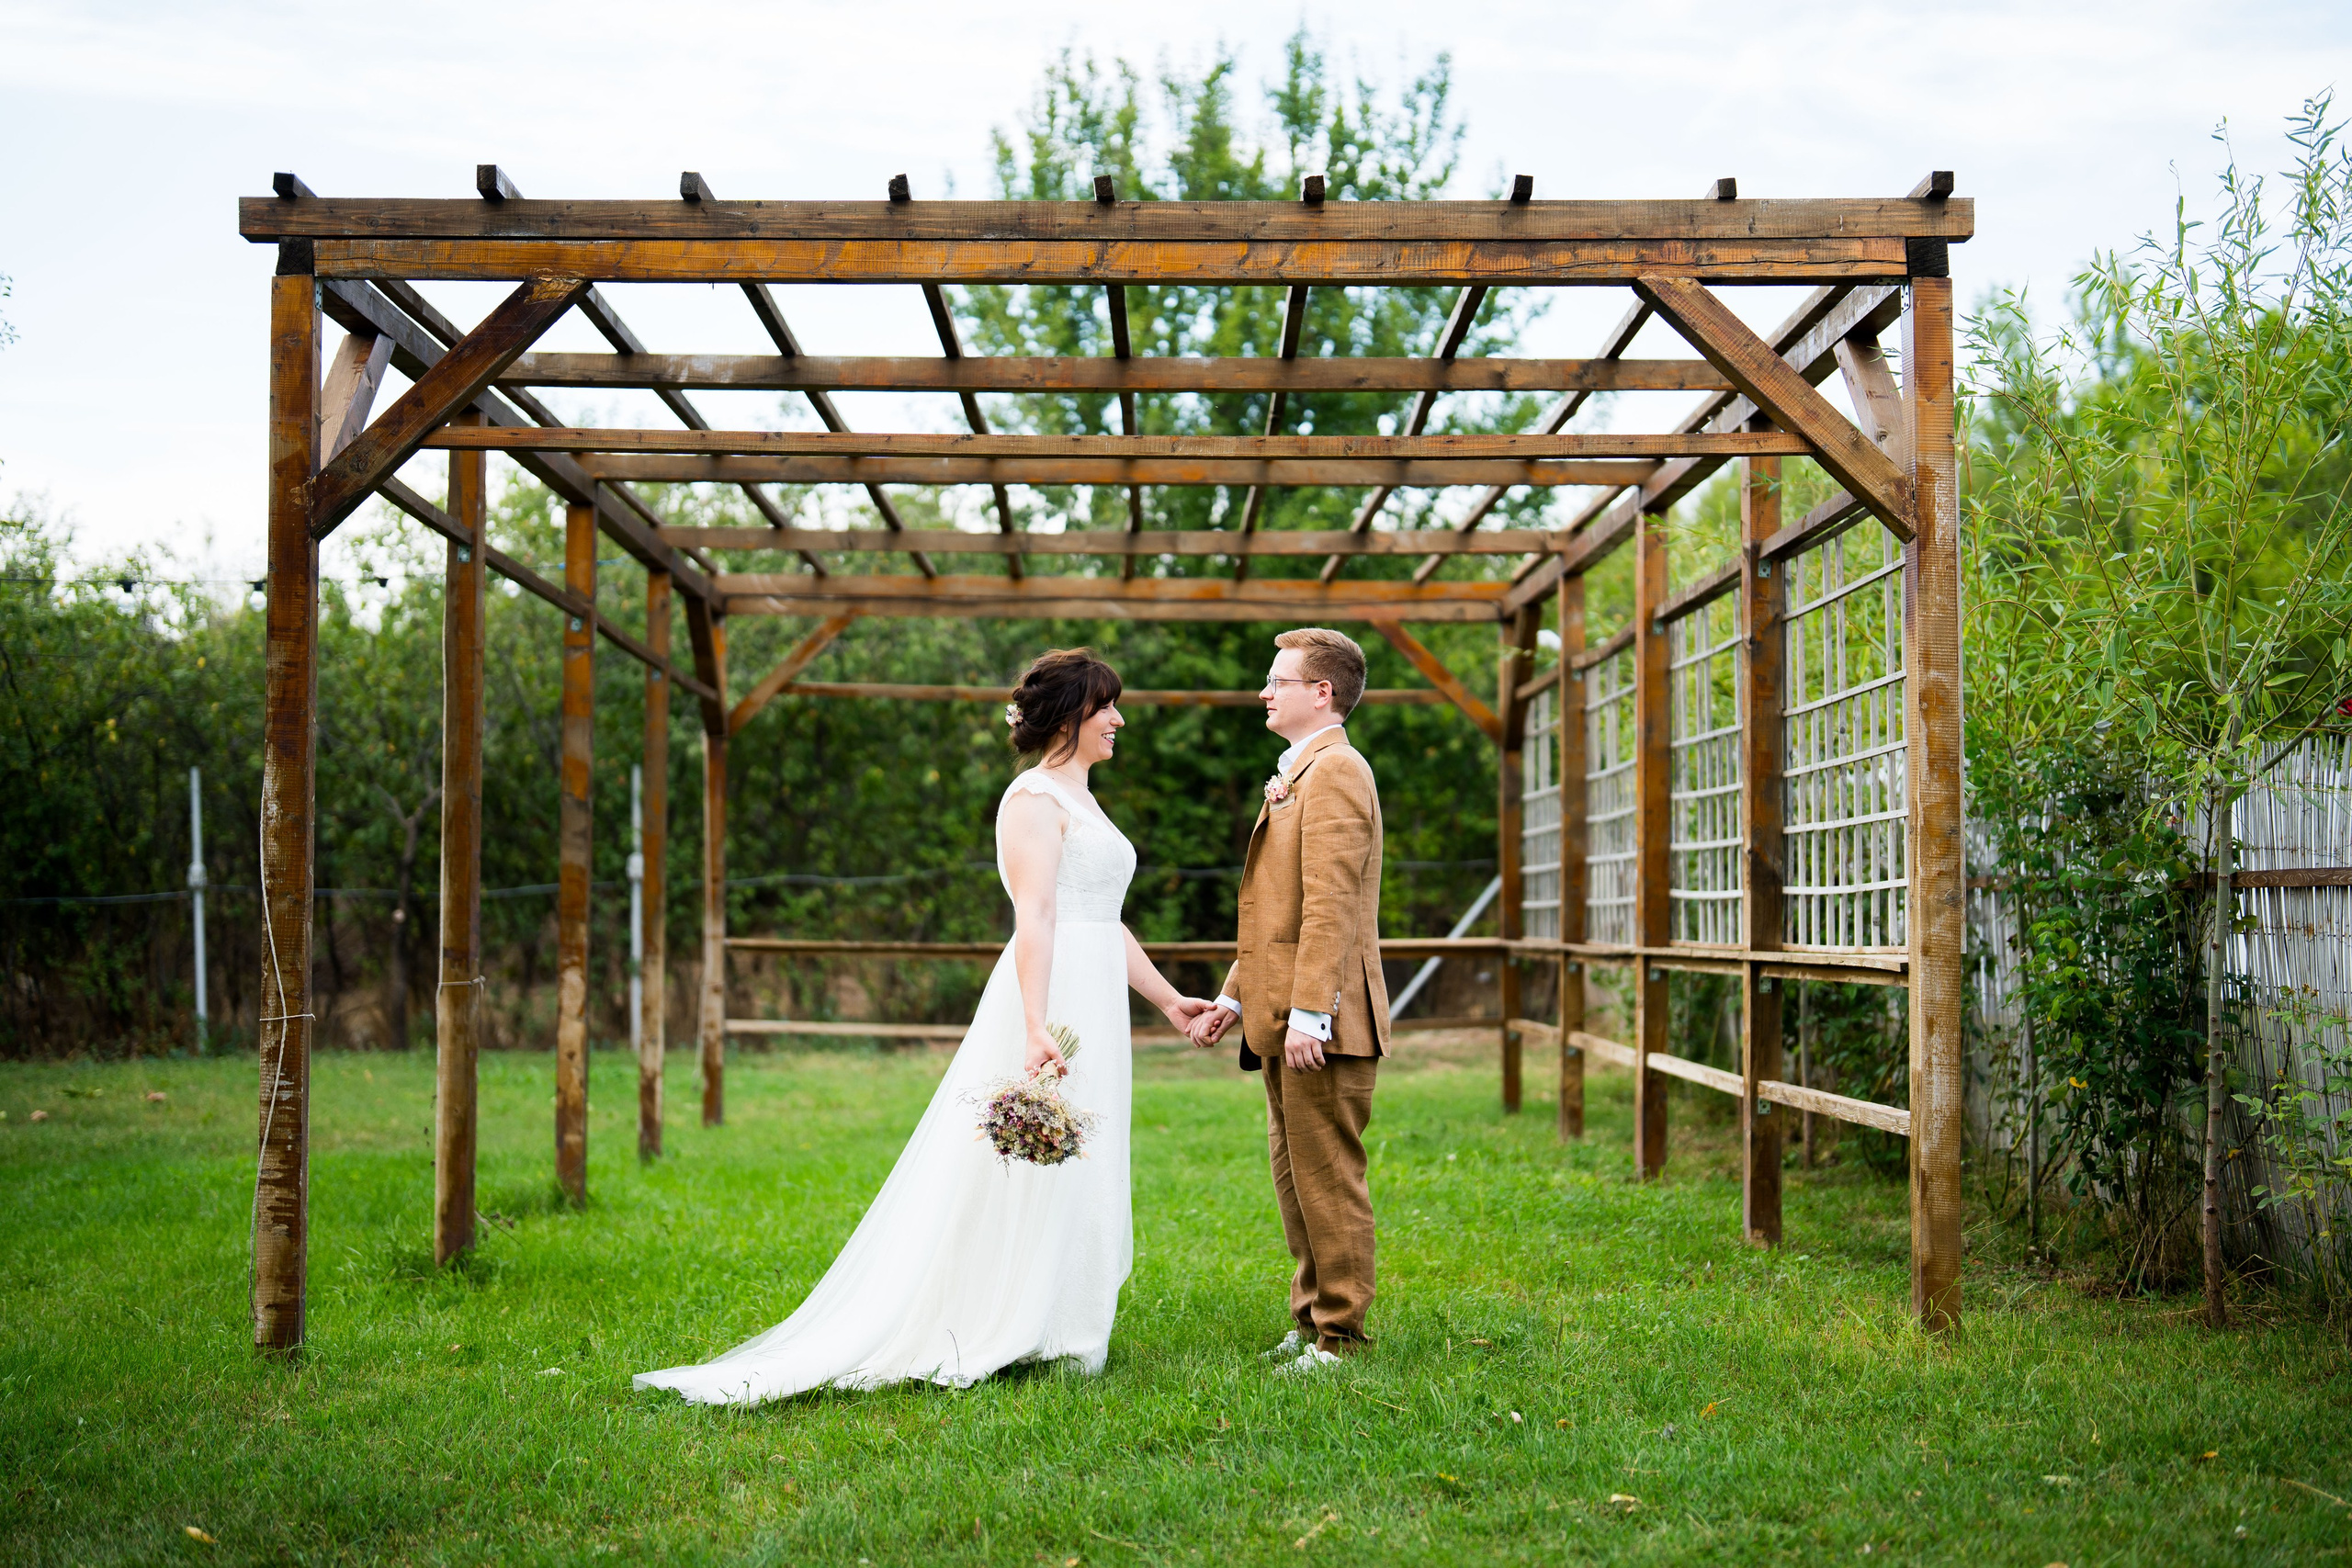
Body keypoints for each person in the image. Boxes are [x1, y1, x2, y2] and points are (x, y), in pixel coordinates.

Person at [635, 649, 1214, 1404]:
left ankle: (1066, 1323)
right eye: (1108, 707)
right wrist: (1037, 1024)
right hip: (1052, 997)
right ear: (1072, 712)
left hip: (1096, 991)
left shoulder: (1084, 798)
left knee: (1080, 1151)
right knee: (1024, 1156)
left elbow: (1100, 919)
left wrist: (1170, 1002)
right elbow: (1035, 916)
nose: (1120, 720)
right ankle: (1005, 1318)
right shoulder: (1031, 799)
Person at [1188, 627, 1390, 1373]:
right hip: (1282, 1017)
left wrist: (1314, 1011)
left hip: (1323, 1022)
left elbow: (1331, 905)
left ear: (1322, 692)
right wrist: (1234, 1000)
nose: (1264, 691)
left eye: (1279, 680)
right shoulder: (1301, 772)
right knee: (1294, 1171)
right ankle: (1310, 1319)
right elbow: (1277, 911)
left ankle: (1341, 1334)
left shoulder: (1337, 770)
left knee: (1328, 1175)